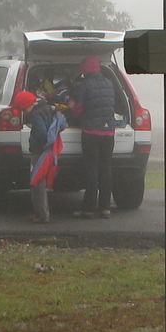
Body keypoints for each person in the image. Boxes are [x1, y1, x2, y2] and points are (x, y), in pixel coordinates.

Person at [69, 55, 116, 218]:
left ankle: (88, 208)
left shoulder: (84, 85)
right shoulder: (109, 83)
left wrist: (71, 106)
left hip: (91, 133)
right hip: (109, 132)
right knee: (106, 170)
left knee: (91, 170)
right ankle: (105, 208)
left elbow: (78, 109)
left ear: (85, 70)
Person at [13, 89, 66, 224]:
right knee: (41, 182)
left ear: (27, 105)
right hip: (50, 150)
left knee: (37, 183)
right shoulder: (48, 108)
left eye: (23, 109)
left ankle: (41, 214)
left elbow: (42, 134)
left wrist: (39, 145)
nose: (23, 112)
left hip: (39, 152)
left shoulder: (36, 115)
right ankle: (42, 213)